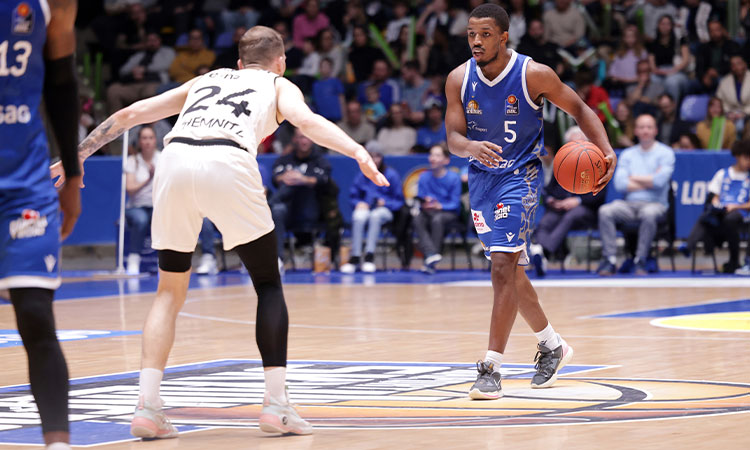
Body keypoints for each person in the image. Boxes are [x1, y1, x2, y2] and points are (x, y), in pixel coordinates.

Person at [51, 25, 387, 438]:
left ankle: (148, 407)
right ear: (279, 62)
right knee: (267, 283)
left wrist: (76, 157)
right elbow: (308, 122)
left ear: (239, 63)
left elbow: (129, 114)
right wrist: (357, 151)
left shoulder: (205, 79)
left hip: (174, 158)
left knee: (168, 291)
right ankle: (277, 405)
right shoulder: (278, 84)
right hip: (227, 159)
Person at [444, 4, 616, 399]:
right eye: (471, 34)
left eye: (485, 34)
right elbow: (453, 139)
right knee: (513, 276)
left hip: (520, 178)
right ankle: (552, 345)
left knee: (503, 268)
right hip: (481, 181)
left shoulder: (533, 73)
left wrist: (605, 149)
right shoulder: (458, 78)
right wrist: (469, 145)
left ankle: (491, 367)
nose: (476, 41)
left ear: (504, 36)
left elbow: (581, 109)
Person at [1, 1, 82, 449]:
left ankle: (58, 442)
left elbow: (62, 82)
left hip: (26, 183)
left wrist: (72, 174)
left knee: (34, 314)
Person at [596, 114, 674, 276]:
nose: (645, 131)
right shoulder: (628, 154)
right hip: (629, 205)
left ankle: (641, 259)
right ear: (636, 131)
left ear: (655, 130)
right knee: (606, 211)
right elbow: (620, 184)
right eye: (642, 127)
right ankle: (609, 259)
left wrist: (633, 177)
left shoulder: (666, 153)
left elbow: (660, 182)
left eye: (649, 127)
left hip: (655, 204)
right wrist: (650, 178)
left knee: (649, 213)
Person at [530, 127, 606, 277]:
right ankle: (540, 255)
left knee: (571, 216)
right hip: (560, 208)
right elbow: (549, 189)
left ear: (588, 144)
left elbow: (600, 195)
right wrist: (552, 200)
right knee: (547, 220)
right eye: (572, 144)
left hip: (585, 210)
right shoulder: (562, 162)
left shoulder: (597, 163)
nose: (576, 147)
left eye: (580, 143)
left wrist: (577, 201)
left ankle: (542, 250)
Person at [685, 139, 750, 274]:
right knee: (707, 216)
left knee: (731, 219)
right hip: (722, 212)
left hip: (742, 213)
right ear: (738, 156)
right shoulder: (723, 174)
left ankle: (734, 260)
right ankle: (690, 246)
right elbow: (713, 195)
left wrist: (736, 207)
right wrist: (716, 203)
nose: (749, 162)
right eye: (746, 158)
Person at [341, 147, 404, 273]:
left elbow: (399, 201)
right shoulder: (362, 175)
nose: (375, 160)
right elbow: (353, 196)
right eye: (372, 156)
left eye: (377, 156)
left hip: (385, 210)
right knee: (358, 216)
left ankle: (369, 256)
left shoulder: (391, 174)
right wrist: (359, 203)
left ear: (382, 158)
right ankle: (355, 256)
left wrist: (386, 203)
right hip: (366, 208)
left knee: (375, 216)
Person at [412, 144, 462, 273]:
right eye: (431, 154)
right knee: (417, 219)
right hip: (429, 212)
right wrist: (426, 203)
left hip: (448, 213)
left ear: (446, 160)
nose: (432, 158)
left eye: (437, 155)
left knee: (437, 219)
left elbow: (455, 203)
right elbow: (420, 197)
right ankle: (430, 254)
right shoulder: (423, 176)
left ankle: (431, 262)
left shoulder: (454, 178)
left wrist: (440, 205)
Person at [124, 125, 161, 275]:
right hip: (136, 206)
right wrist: (148, 179)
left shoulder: (163, 158)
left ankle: (164, 261)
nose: (147, 141)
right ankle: (134, 259)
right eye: (144, 138)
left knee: (164, 219)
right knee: (141, 219)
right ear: (139, 141)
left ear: (155, 140)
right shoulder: (132, 161)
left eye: (150, 138)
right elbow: (130, 188)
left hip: (158, 206)